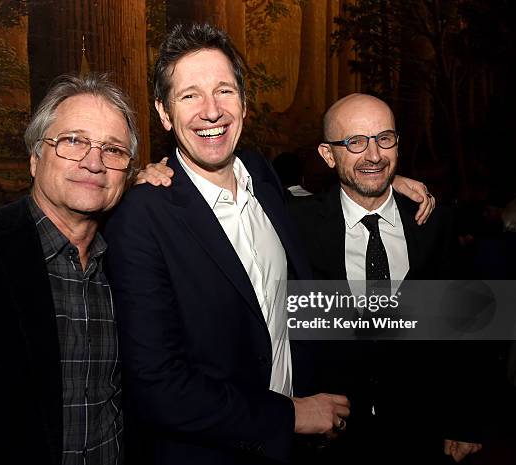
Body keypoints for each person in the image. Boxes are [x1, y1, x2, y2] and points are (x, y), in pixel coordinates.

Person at [106, 24, 433, 465]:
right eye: (189, 96)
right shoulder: (141, 218)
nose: (211, 110)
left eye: (224, 91)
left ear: (243, 103)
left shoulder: (261, 175)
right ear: (164, 113)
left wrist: (385, 182)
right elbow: (157, 387)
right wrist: (287, 416)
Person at [0, 74, 137, 465]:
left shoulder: (128, 264)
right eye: (73, 141)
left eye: (114, 150)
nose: (93, 161)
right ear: (35, 158)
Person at [288, 93, 482, 464]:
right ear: (329, 155)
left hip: (419, 432)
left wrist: (465, 421)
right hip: (330, 438)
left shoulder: (432, 223)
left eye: (384, 138)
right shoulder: (297, 224)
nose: (374, 154)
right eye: (356, 142)